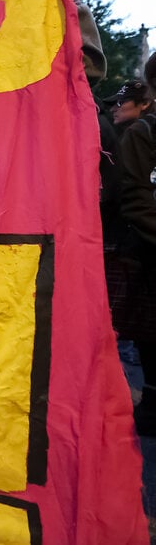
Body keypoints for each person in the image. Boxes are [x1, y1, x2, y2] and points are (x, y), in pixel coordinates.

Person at [112, 80, 156, 434]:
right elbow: (135, 196)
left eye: (122, 102)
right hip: (145, 251)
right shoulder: (141, 133)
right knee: (143, 335)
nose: (116, 108)